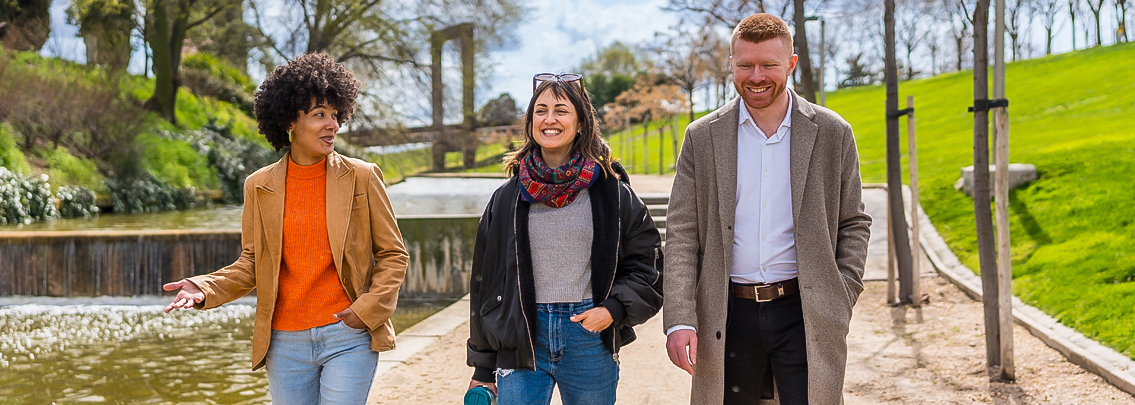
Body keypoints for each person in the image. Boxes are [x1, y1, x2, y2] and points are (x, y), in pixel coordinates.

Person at [162, 53, 409, 404]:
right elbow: (252, 263)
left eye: (335, 114)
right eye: (319, 114)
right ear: (290, 120)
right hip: (284, 343)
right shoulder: (258, 185)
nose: (332, 125)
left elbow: (393, 255)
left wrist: (366, 309)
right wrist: (204, 287)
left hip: (347, 335)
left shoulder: (362, 176)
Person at [662, 13, 872, 405]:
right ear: (731, 65)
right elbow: (682, 234)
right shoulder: (701, 137)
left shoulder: (833, 132)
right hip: (727, 314)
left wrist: (842, 293)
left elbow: (854, 222)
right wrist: (679, 317)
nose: (756, 76)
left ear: (791, 64)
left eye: (769, 65)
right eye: (745, 65)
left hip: (806, 311)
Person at [465, 73, 664, 405]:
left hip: (588, 338)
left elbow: (649, 264)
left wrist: (613, 310)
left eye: (561, 110)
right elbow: (484, 285)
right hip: (521, 339)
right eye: (540, 111)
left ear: (581, 122)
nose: (550, 119)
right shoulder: (505, 198)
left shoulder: (613, 193)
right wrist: (483, 366)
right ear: (530, 123)